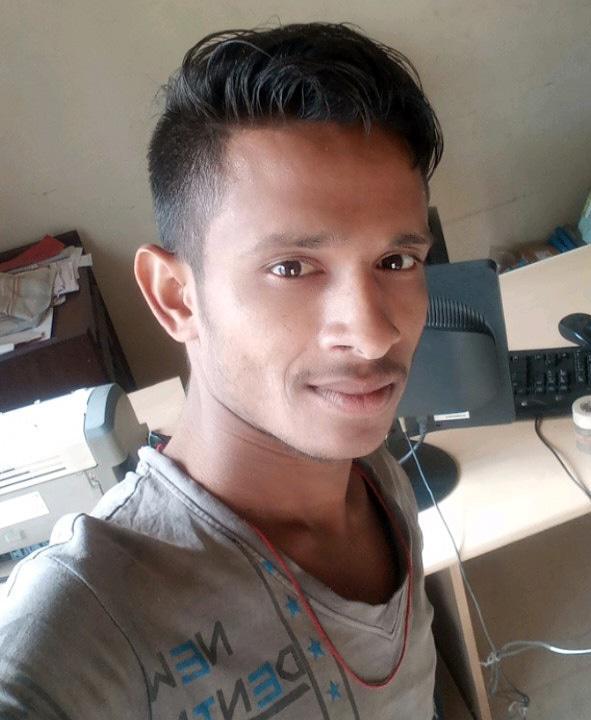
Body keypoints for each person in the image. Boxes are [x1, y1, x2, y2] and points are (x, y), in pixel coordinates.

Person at [0, 22, 443, 719]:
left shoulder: (375, 474)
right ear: (177, 297)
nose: (371, 334)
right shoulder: (92, 613)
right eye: (291, 267)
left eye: (396, 261)